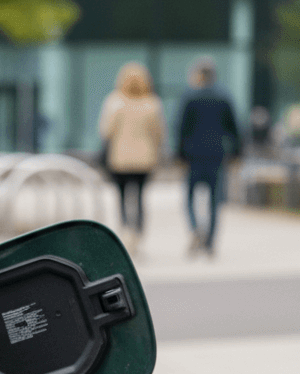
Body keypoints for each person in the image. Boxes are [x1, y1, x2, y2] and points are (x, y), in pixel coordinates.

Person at [175, 56, 241, 256]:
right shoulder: (224, 97)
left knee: (189, 198)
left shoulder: (190, 97)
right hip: (216, 155)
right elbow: (234, 128)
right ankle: (210, 241)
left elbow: (181, 129)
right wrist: (237, 152)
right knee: (214, 200)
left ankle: (195, 229)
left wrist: (179, 154)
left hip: (193, 155)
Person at [98, 62, 165, 253]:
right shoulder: (152, 103)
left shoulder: (114, 102)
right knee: (140, 198)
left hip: (120, 158)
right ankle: (138, 234)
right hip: (145, 158)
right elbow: (159, 134)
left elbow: (105, 131)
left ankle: (126, 231)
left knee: (122, 197)